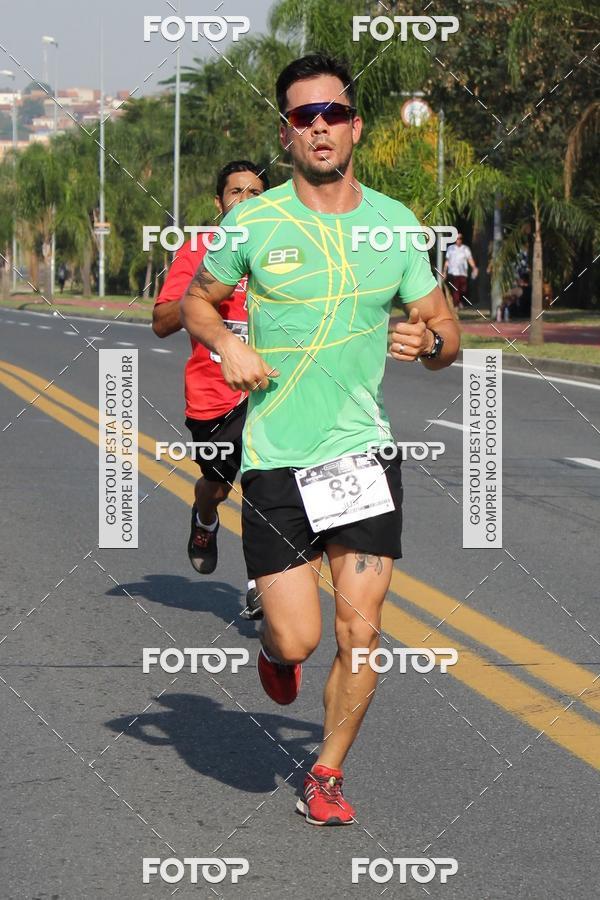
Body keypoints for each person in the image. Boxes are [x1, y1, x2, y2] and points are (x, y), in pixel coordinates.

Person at [181, 54, 460, 826]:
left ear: (354, 125)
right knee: (301, 639)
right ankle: (275, 654)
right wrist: (226, 344)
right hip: (276, 454)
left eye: (332, 113)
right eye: (304, 117)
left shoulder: (395, 224)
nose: (320, 127)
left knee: (360, 629)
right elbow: (196, 303)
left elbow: (446, 333)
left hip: (361, 450)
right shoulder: (255, 220)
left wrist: (428, 344)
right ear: (286, 133)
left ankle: (326, 773)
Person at [153, 160, 269, 619]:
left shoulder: (284, 250)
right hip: (214, 395)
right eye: (237, 192)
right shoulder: (201, 248)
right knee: (218, 485)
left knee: (268, 485)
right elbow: (161, 322)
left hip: (270, 392)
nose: (246, 200)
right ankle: (204, 516)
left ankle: (261, 581)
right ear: (219, 203)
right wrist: (206, 298)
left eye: (256, 193)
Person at [443, 232, 478, 308]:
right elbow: (447, 261)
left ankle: (459, 302)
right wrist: (444, 271)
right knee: (455, 289)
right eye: (457, 238)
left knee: (463, 289)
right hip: (453, 272)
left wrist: (474, 267)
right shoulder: (450, 248)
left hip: (463, 273)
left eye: (460, 238)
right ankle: (456, 305)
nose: (459, 240)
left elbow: (470, 259)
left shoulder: (465, 249)